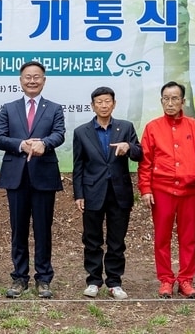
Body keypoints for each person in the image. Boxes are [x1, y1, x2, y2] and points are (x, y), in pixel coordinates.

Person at [139, 81, 195, 299]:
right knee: (162, 237)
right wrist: (145, 188)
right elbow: (145, 161)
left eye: (175, 98)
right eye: (166, 98)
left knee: (188, 237)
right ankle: (165, 279)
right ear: (161, 100)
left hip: (188, 190)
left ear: (183, 101)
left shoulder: (194, 126)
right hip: (161, 190)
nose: (170, 102)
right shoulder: (153, 127)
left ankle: (186, 280)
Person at [0, 61, 67, 298]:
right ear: (20, 80)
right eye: (28, 77)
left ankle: (44, 278)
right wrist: (20, 144)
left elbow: (59, 134)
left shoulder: (54, 108)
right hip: (16, 177)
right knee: (18, 230)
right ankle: (19, 278)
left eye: (37, 77)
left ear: (44, 81)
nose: (32, 81)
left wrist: (43, 144)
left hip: (43, 175)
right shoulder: (8, 108)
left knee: (43, 229)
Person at [71, 86, 141, 300]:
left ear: (114, 103)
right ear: (92, 106)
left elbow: (140, 154)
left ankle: (114, 281)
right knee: (92, 239)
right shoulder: (81, 131)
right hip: (92, 192)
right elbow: (78, 165)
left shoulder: (125, 127)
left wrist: (128, 147)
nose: (103, 105)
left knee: (116, 240)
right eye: (99, 102)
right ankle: (93, 280)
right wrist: (78, 194)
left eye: (107, 101)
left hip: (119, 192)